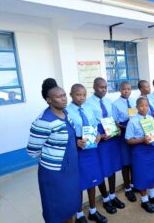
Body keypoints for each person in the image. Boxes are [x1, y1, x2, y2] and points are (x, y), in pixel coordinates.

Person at [27, 78, 80, 223]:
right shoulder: (43, 122)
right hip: (54, 174)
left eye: (64, 95)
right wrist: (53, 155)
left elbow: (68, 138)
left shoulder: (66, 114)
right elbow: (32, 151)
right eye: (59, 97)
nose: (63, 99)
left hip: (71, 170)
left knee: (71, 204)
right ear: (48, 100)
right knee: (56, 208)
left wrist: (77, 143)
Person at [66, 84, 107, 223]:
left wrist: (98, 135)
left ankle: (93, 211)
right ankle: (79, 215)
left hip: (91, 148)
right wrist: (75, 142)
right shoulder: (67, 111)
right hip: (78, 149)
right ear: (71, 94)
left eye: (84, 94)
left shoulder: (88, 108)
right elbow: (66, 133)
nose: (81, 97)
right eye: (78, 94)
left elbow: (94, 125)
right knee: (79, 183)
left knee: (92, 180)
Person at [85, 78, 125, 215]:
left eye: (105, 87)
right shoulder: (88, 104)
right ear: (94, 87)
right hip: (99, 139)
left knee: (112, 167)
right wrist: (100, 136)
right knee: (102, 169)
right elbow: (89, 123)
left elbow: (113, 120)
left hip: (112, 138)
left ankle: (113, 195)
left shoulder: (109, 102)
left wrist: (118, 130)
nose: (104, 89)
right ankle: (106, 198)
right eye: (101, 87)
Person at [125, 97, 154, 213]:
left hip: (153, 149)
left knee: (153, 172)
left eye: (146, 105)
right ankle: (144, 200)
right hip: (140, 151)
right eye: (141, 105)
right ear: (136, 107)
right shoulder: (132, 121)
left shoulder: (151, 118)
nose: (144, 108)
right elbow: (128, 140)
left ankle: (153, 195)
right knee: (143, 175)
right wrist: (142, 140)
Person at [112, 81, 137, 202]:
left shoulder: (134, 101)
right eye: (124, 89)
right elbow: (115, 122)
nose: (126, 91)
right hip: (124, 134)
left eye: (128, 89)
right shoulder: (115, 104)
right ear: (120, 90)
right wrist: (125, 127)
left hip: (135, 134)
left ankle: (134, 184)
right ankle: (127, 188)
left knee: (133, 160)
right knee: (125, 162)